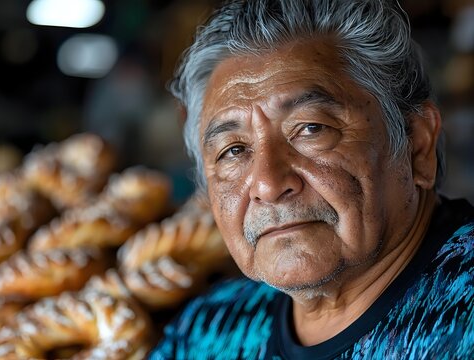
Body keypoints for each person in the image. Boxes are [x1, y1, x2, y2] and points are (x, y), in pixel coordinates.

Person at [149, 0, 474, 358]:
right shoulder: (207, 332)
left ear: (417, 145)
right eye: (233, 150)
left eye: (311, 128)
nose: (268, 185)